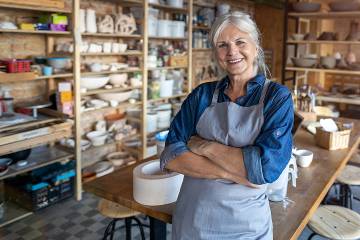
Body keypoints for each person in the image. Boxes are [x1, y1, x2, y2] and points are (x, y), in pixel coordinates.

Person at [160, 11, 293, 239]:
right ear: (216, 53)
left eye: (240, 42)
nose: (232, 51)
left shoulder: (276, 98)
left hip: (246, 228)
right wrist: (240, 174)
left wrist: (206, 147)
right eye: (223, 45)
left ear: (256, 46)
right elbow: (171, 155)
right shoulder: (201, 95)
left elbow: (265, 169)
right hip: (192, 223)